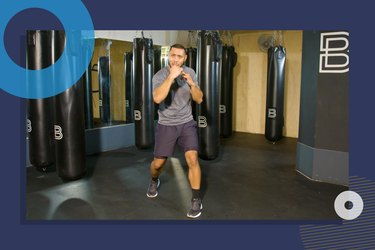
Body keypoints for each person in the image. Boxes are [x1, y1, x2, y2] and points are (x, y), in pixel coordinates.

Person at [146, 44, 204, 218]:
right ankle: (154, 179)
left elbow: (199, 99)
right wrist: (171, 77)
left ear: (185, 58)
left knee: (192, 158)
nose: (176, 59)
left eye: (179, 56)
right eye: (173, 55)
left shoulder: (190, 72)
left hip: (186, 122)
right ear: (168, 56)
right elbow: (157, 98)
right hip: (167, 124)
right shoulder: (160, 75)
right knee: (158, 164)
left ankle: (195, 199)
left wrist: (192, 84)